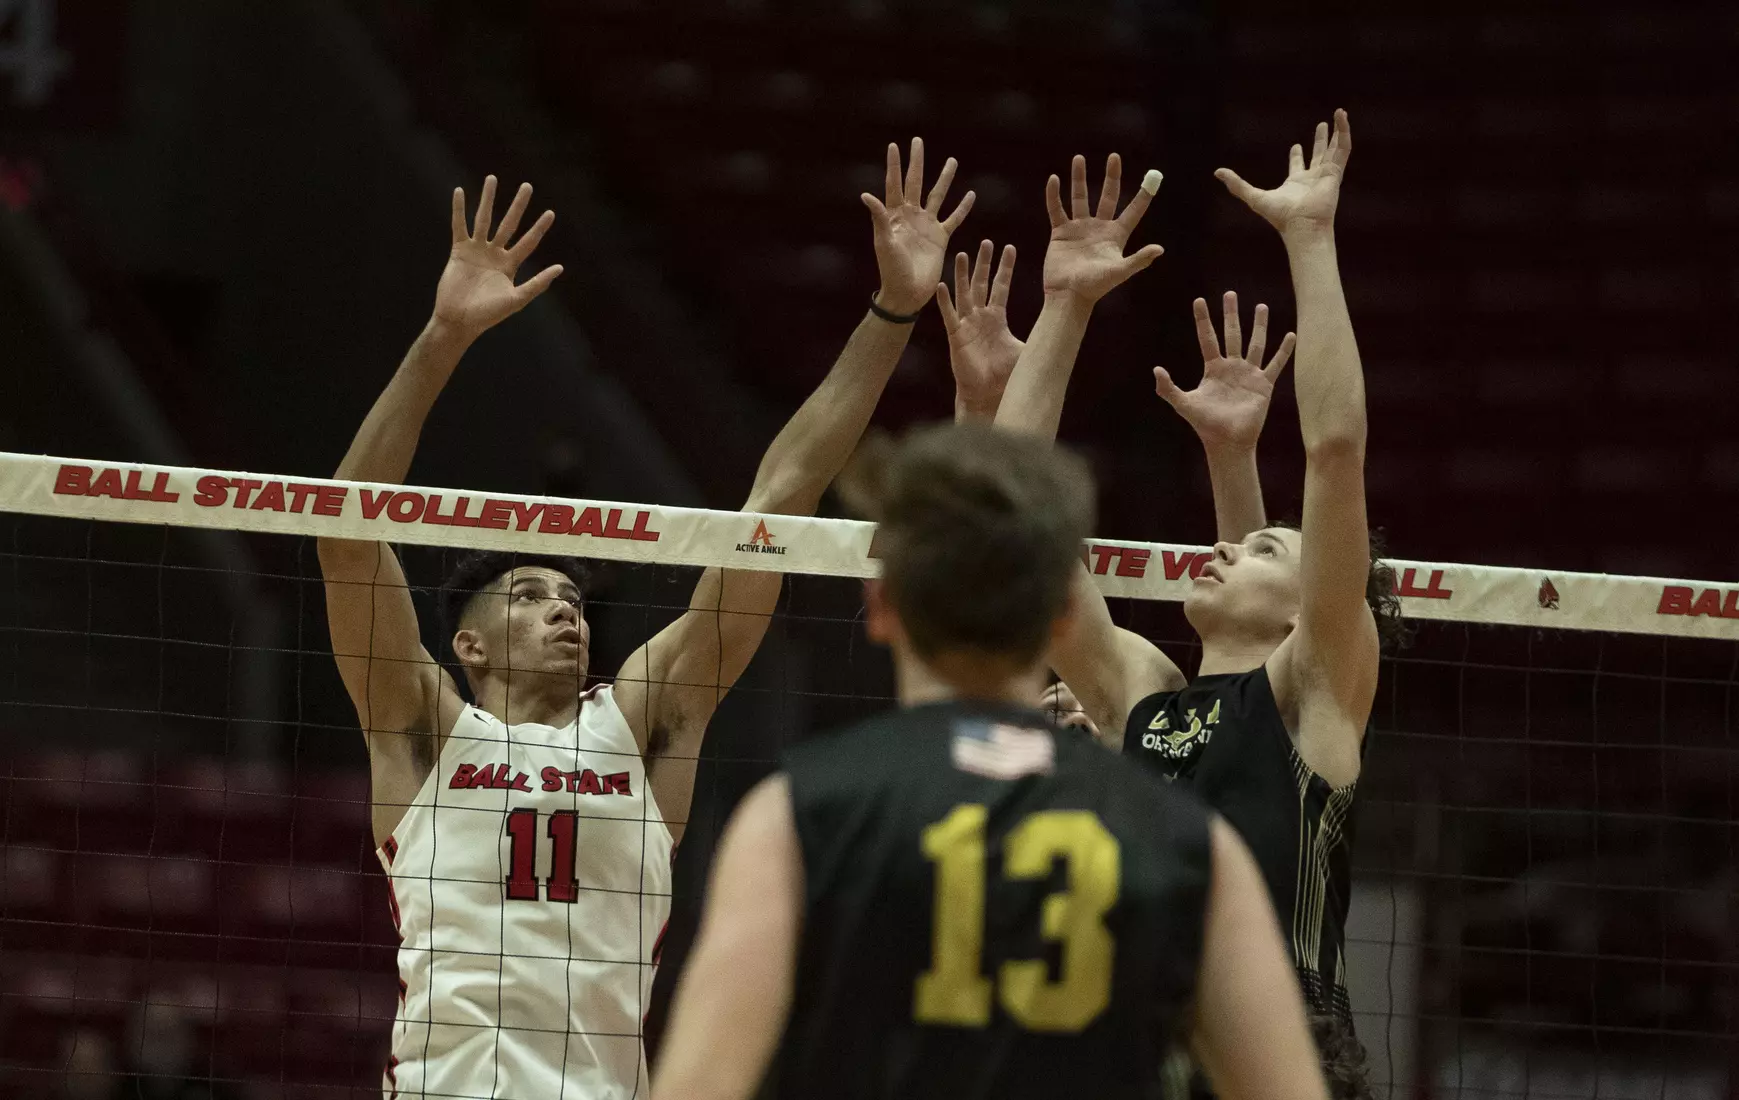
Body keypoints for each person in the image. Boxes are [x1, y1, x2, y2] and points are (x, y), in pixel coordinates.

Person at [317, 140, 975, 1100]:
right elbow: (344, 531)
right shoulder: (423, 730)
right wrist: (442, 340)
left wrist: (893, 312)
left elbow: (780, 499)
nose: (564, 612)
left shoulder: (639, 721)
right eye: (531, 596)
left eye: (575, 600)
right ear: (466, 643)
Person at [651, 420, 1329, 1100]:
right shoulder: (1191, 843)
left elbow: (700, 1084)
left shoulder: (794, 815)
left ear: (880, 606)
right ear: (1063, 615)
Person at [989, 112, 1397, 1099]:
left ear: (1310, 606)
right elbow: (1007, 500)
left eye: (1262, 547)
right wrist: (1063, 306)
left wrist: (1307, 239)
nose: (1224, 545)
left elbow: (1334, 453)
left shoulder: (1310, 694)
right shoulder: (1143, 691)